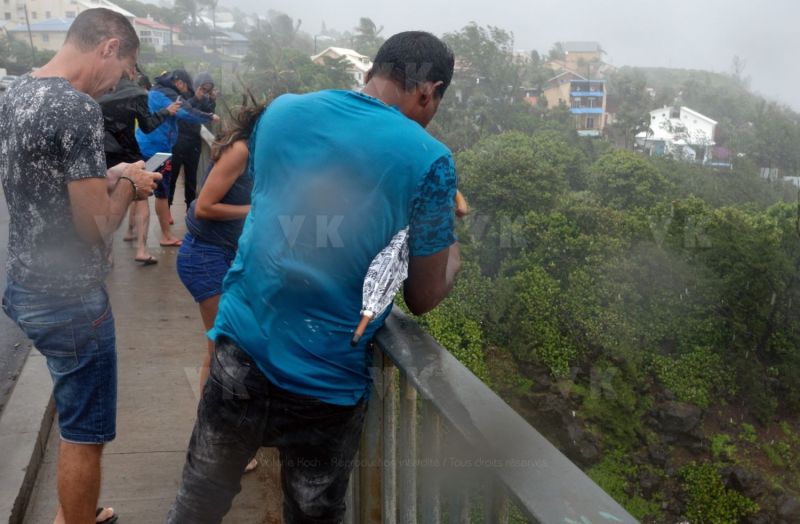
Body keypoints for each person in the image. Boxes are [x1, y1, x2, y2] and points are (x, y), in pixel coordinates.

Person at [167, 31, 460, 523]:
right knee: (312, 515)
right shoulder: (430, 160)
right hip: (325, 380)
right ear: (429, 92)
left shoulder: (282, 113)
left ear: (372, 71)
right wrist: (451, 245)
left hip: (241, 350)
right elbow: (424, 295)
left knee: (198, 500)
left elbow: (285, 207)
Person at [0, 8, 160, 524]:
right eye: (123, 71)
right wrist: (131, 184)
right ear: (108, 47)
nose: (117, 85)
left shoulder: (18, 91)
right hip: (69, 301)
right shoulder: (76, 108)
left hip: (24, 285)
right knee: (84, 433)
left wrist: (110, 173)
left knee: (76, 414)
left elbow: (44, 178)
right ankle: (75, 518)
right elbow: (97, 225)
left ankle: (75, 511)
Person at [176, 104, 264, 473]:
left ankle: (216, 438)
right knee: (222, 352)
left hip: (224, 256)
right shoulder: (241, 150)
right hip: (205, 257)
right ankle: (215, 444)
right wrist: (254, 210)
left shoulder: (261, 153)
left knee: (224, 349)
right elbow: (204, 207)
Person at [98, 70, 181, 265]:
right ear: (130, 71)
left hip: (103, 152)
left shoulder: (99, 90)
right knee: (142, 200)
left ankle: (107, 254)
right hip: (128, 152)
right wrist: (166, 111)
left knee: (105, 201)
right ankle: (142, 250)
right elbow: (147, 126)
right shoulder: (137, 93)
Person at [136, 69, 218, 247]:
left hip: (149, 145)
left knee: (139, 190)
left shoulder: (158, 90)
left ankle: (132, 233)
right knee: (161, 192)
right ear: (179, 82)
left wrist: (208, 102)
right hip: (158, 149)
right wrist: (209, 116)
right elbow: (186, 112)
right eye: (186, 86)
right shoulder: (167, 94)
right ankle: (165, 236)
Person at [169, 71, 217, 213]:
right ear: (196, 85)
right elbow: (185, 109)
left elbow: (208, 113)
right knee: (172, 177)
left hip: (194, 142)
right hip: (178, 141)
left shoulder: (203, 98)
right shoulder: (182, 94)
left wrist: (212, 100)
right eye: (203, 87)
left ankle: (189, 209)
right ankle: (167, 208)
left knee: (191, 179)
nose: (205, 90)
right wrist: (196, 97)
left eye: (208, 88)